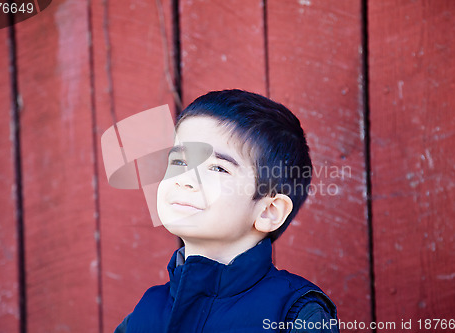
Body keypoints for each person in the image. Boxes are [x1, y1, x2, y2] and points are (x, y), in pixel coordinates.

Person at [114, 89, 340, 333]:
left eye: (218, 168)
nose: (185, 179)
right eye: (179, 162)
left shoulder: (296, 314)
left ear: (269, 211)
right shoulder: (144, 314)